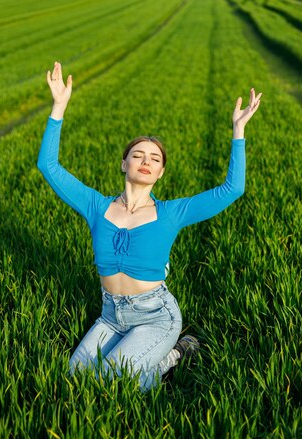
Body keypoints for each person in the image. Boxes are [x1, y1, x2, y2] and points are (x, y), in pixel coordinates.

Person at [38, 61, 261, 391]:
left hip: (156, 316)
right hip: (111, 316)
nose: (146, 161)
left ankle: (171, 357)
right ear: (124, 163)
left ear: (160, 174)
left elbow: (232, 189)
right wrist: (59, 106)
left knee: (112, 385)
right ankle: (153, 362)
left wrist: (238, 131)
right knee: (73, 383)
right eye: (138, 155)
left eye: (155, 159)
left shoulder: (172, 213)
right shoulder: (97, 206)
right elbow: (49, 166)